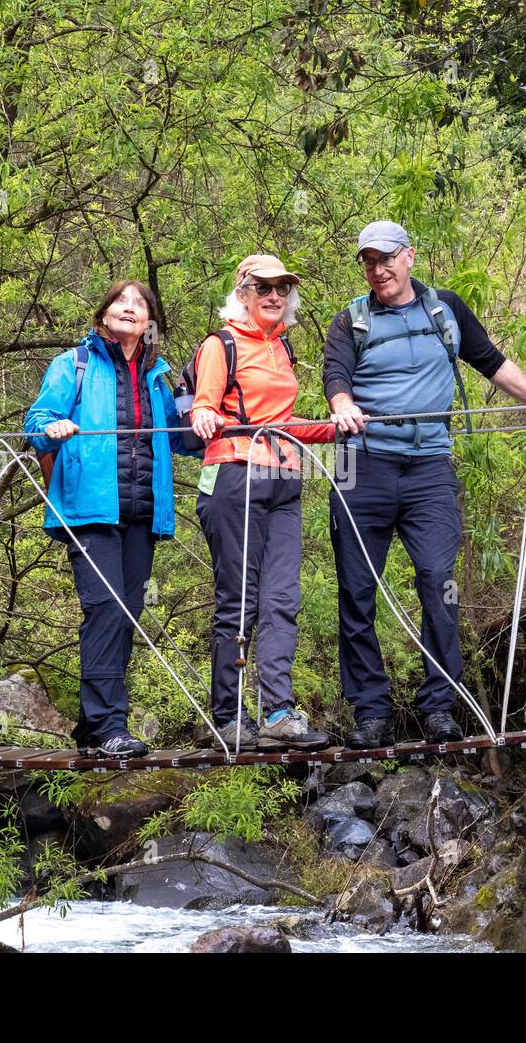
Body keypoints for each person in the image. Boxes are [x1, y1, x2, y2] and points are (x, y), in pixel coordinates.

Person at [323, 220, 526, 748]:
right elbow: (335, 377)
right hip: (360, 465)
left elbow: (494, 364)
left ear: (409, 256)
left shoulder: (444, 308)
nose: (377, 269)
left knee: (437, 581)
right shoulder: (351, 321)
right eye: (368, 261)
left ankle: (440, 707)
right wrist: (343, 405)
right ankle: (371, 713)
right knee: (357, 591)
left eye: (386, 258)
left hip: (429, 466)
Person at [25, 279, 189, 759]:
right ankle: (107, 725)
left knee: (126, 616)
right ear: (103, 315)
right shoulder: (73, 365)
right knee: (107, 610)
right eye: (122, 301)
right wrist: (52, 428)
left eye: (140, 304)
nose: (131, 308)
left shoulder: (160, 376)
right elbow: (36, 424)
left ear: (150, 322)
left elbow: (182, 439)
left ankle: (93, 726)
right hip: (90, 509)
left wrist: (219, 419)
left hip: (142, 513)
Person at [190, 255, 335, 749]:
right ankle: (228, 717)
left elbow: (285, 421)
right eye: (264, 288)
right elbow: (204, 405)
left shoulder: (283, 348)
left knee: (281, 601)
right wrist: (206, 416)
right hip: (233, 476)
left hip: (284, 480)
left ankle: (276, 712)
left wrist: (337, 427)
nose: (275, 296)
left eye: (282, 289)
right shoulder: (221, 344)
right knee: (239, 602)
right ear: (244, 292)